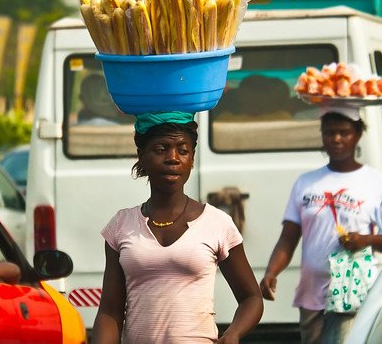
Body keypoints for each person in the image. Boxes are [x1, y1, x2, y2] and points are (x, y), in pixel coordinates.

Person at [92, 111, 263, 344]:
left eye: (183, 150)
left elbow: (251, 298)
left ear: (192, 158)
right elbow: (110, 311)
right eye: (161, 149)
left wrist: (233, 334)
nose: (173, 158)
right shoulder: (121, 225)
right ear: (141, 155)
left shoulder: (217, 223)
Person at [259, 106, 382, 344]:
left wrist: (365, 240)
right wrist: (271, 272)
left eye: (344, 132)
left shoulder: (375, 182)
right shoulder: (306, 183)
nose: (336, 139)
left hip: (352, 293)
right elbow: (288, 237)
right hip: (311, 295)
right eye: (329, 133)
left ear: (357, 134)